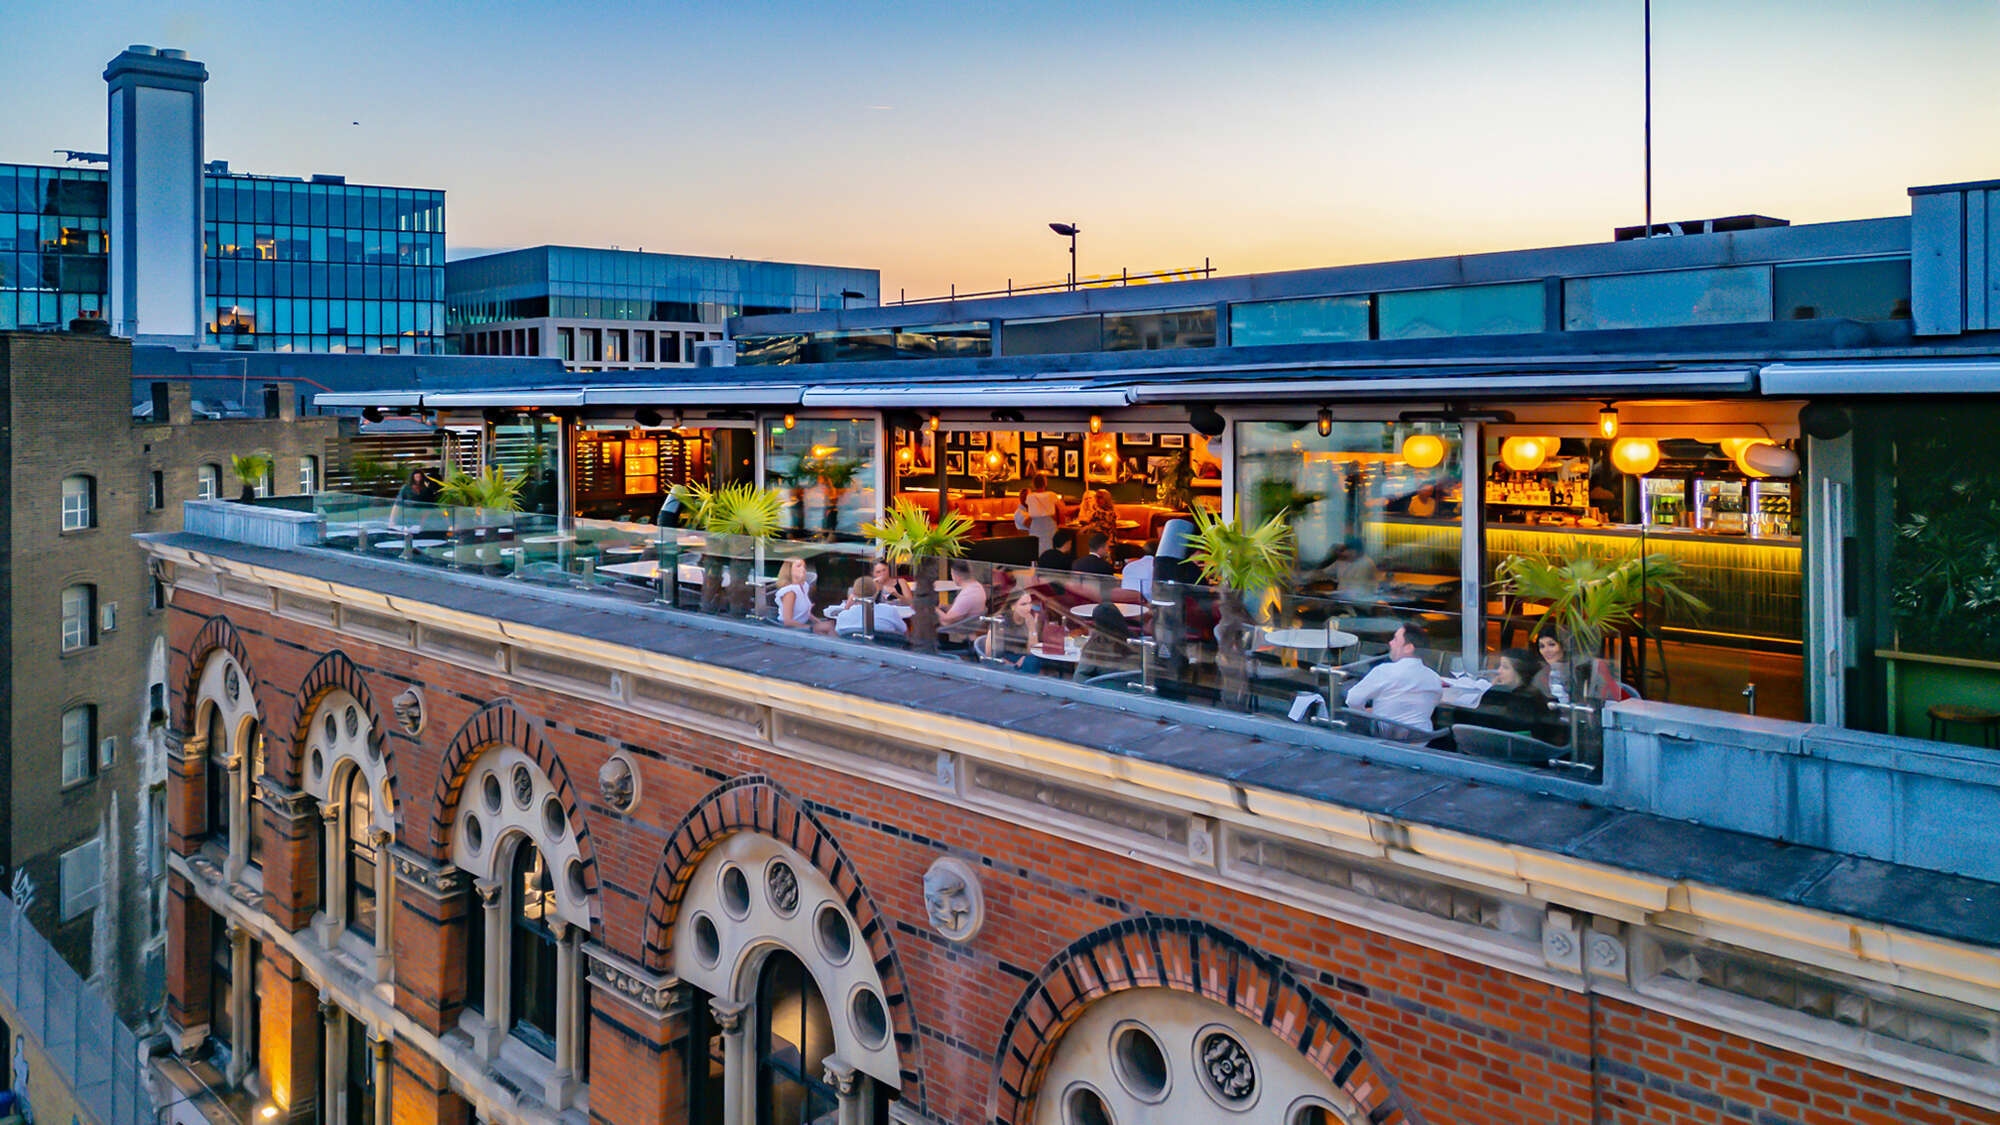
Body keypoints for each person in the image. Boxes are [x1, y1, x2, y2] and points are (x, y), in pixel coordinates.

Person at [1344, 621, 1444, 734]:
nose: (1390, 643)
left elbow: (1353, 700)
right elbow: (1430, 704)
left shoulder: (1385, 671)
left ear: (1408, 648)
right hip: (1420, 739)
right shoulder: (1434, 678)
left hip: (1384, 737)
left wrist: (1364, 712)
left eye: (1395, 639)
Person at [825, 576, 913, 637]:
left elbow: (839, 637)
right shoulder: (889, 611)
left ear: (853, 594)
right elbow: (906, 634)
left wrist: (848, 605)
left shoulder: (843, 616)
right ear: (875, 592)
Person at [1074, 601, 1138, 682]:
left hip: (1103, 687)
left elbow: (1079, 676)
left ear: (1096, 623)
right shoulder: (1135, 641)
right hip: (1131, 687)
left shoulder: (1096, 645)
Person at [937, 559, 989, 634]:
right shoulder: (977, 586)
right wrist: (946, 607)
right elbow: (963, 609)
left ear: (957, 576)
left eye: (952, 575)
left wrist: (934, 609)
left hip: (957, 626)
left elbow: (947, 620)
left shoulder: (967, 595)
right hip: (967, 622)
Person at [1015, 473, 1062, 554]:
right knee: (1050, 550)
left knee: (1038, 550)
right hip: (1049, 526)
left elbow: (1031, 514)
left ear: (1033, 484)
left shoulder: (1030, 497)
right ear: (1045, 483)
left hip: (1036, 528)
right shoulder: (1052, 495)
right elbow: (1060, 512)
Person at [774, 558, 814, 629]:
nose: (803, 569)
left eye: (804, 566)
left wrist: (818, 622)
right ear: (789, 570)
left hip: (803, 624)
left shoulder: (804, 586)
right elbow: (788, 622)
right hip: (792, 629)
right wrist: (812, 628)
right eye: (799, 566)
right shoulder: (790, 592)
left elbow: (806, 614)